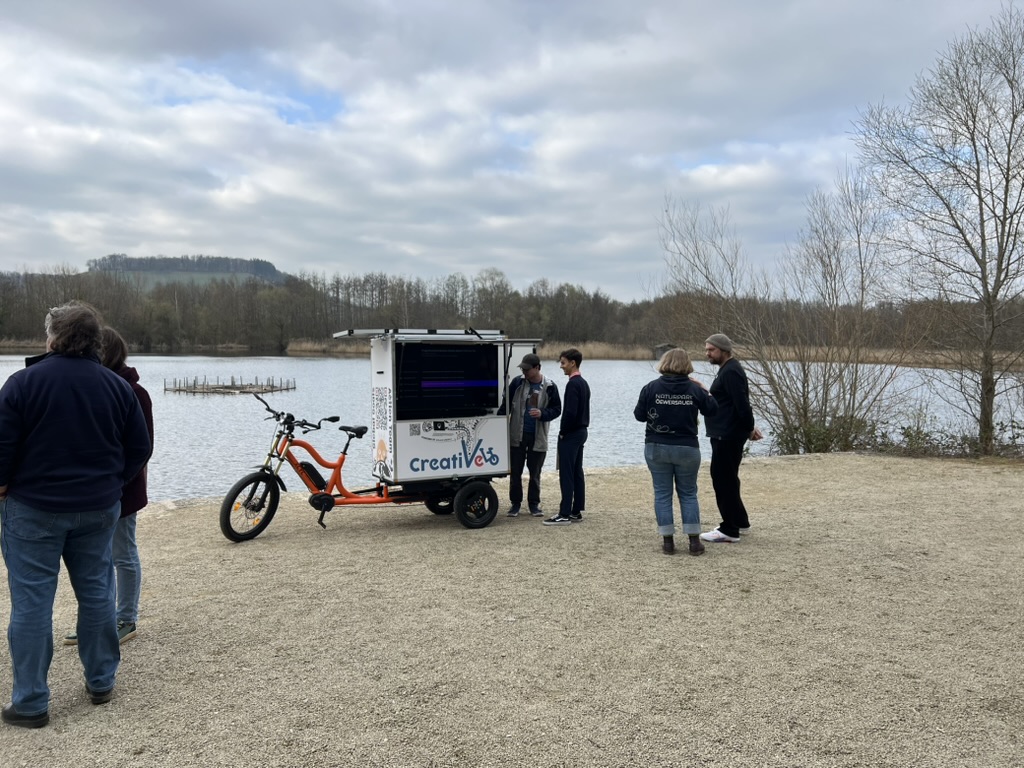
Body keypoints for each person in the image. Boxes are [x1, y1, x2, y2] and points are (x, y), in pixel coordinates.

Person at [0, 303, 152, 728]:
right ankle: (101, 681)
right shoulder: (117, 386)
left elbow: (2, 445)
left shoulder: (23, 383)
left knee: (32, 602)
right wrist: (112, 484)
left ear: (53, 337)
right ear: (94, 340)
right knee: (97, 591)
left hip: (33, 509)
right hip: (98, 508)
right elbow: (139, 448)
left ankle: (31, 702)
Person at [64, 327, 153, 647]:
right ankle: (96, 620)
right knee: (93, 560)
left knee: (123, 553)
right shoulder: (90, 386)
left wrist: (117, 482)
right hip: (92, 492)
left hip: (122, 490)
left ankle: (126, 618)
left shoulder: (136, 392)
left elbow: (143, 447)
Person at [634, 348, 718, 555]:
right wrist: (704, 389)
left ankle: (668, 542)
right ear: (687, 365)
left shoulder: (650, 388)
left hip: (656, 446)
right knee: (688, 493)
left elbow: (639, 416)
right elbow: (712, 409)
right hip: (687, 447)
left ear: (664, 363)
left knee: (662, 494)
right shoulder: (694, 389)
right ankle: (694, 542)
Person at [699, 333, 763, 544]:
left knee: (722, 479)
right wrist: (703, 389)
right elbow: (726, 399)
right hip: (726, 433)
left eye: (711, 350)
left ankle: (729, 529)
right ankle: (740, 521)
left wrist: (749, 427)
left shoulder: (731, 371)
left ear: (724, 350)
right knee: (729, 478)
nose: (707, 353)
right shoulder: (727, 369)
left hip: (727, 435)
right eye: (707, 349)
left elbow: (741, 404)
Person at [502, 353, 561, 517]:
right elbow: (505, 406)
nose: (524, 372)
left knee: (535, 473)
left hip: (538, 437)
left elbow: (557, 409)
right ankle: (515, 504)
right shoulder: (517, 383)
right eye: (523, 369)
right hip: (517, 436)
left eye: (527, 369)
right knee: (515, 472)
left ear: (537, 368)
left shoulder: (550, 386)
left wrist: (542, 414)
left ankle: (534, 505)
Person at [544, 348, 590, 526]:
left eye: (563, 363)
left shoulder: (572, 384)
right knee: (577, 471)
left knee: (567, 473)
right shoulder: (584, 383)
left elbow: (570, 413)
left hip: (571, 434)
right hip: (582, 432)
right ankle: (576, 510)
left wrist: (563, 431)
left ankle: (564, 513)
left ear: (573, 363)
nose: (561, 366)